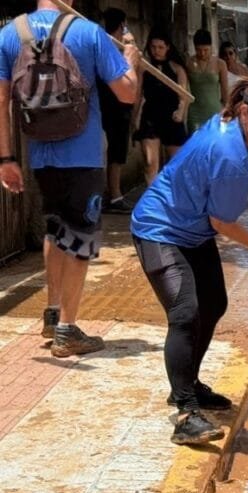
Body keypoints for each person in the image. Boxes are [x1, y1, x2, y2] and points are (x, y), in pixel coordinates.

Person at [130, 77, 248, 445]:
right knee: (185, 313)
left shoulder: (231, 125)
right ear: (246, 112)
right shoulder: (229, 154)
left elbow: (227, 171)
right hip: (161, 230)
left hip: (192, 229)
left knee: (214, 303)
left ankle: (189, 384)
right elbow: (223, 222)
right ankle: (186, 413)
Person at [0, 0, 140, 356]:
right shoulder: (88, 32)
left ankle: (52, 310)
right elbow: (127, 92)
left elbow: (1, 102)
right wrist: (131, 62)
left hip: (40, 152)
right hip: (82, 153)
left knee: (55, 227)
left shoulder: (9, 34)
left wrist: (6, 158)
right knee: (80, 236)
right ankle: (67, 329)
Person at [134, 31, 189, 185]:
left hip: (171, 118)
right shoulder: (144, 68)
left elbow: (183, 95)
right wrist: (134, 119)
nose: (156, 51)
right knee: (150, 163)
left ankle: (172, 202)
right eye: (153, 47)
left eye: (160, 47)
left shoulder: (177, 69)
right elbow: (137, 95)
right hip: (150, 117)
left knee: (176, 165)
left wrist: (180, 111)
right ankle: (151, 203)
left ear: (167, 48)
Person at [98, 7, 134, 215]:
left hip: (110, 106)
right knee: (115, 153)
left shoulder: (103, 44)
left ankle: (113, 194)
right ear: (122, 25)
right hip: (113, 106)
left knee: (115, 152)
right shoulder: (114, 48)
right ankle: (114, 196)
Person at [186, 29, 228, 133]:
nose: (202, 53)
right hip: (194, 113)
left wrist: (226, 111)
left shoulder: (220, 64)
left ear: (211, 47)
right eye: (198, 50)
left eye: (206, 50)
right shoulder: (189, 63)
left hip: (214, 111)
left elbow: (225, 91)